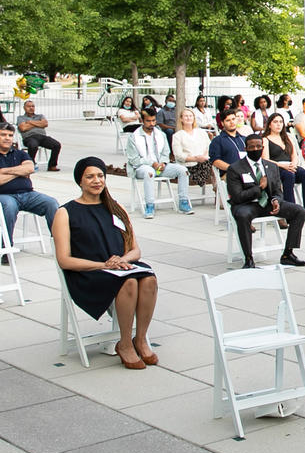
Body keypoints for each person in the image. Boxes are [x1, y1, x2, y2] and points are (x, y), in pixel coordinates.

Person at [53, 157, 158, 369]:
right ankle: (125, 343)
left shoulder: (115, 208)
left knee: (148, 279)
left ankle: (140, 338)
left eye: (100, 176)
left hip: (120, 266)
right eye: (90, 176)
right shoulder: (65, 212)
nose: (96, 180)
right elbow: (64, 260)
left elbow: (135, 250)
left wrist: (122, 260)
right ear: (80, 181)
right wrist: (103, 265)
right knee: (128, 283)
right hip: (88, 272)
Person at [225, 133, 305, 269]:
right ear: (245, 149)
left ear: (263, 148)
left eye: (258, 146)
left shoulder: (271, 166)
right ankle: (248, 258)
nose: (255, 149)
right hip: (245, 205)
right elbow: (237, 196)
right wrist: (259, 188)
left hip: (267, 204)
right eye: (251, 147)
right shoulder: (235, 168)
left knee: (299, 211)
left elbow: (277, 190)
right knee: (242, 215)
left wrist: (276, 200)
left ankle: (288, 254)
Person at [0, 121, 58, 253]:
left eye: (10, 135)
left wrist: (4, 171)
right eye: (3, 135)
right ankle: (6, 248)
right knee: (9, 207)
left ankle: (59, 244)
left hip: (28, 194)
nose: (7, 138)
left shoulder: (19, 153)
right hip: (4, 196)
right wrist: (20, 172)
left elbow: (30, 168)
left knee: (51, 203)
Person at [125, 108, 191, 218]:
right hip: (142, 167)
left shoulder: (161, 134)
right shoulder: (134, 137)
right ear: (142, 120)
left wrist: (163, 163)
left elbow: (166, 152)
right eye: (148, 121)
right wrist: (152, 163)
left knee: (183, 171)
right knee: (149, 173)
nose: (152, 124)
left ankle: (183, 201)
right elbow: (134, 160)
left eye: (153, 121)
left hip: (161, 167)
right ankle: (150, 205)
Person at [264, 113, 305, 219]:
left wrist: (293, 164)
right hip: (276, 168)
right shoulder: (266, 139)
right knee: (289, 176)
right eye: (275, 122)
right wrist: (283, 166)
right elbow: (266, 159)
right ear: (270, 125)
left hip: (290, 165)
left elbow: (294, 155)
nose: (278, 125)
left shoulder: (287, 138)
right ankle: (291, 211)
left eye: (280, 122)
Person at [171, 107, 216, 203]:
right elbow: (178, 155)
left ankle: (218, 193)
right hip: (188, 165)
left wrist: (203, 157)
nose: (188, 118)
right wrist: (195, 159)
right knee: (212, 166)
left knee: (216, 164)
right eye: (186, 116)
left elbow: (209, 147)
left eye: (190, 116)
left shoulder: (201, 132)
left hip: (204, 162)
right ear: (181, 119)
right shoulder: (178, 135)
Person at [16, 99, 61, 171]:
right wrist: (38, 124)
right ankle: (31, 163)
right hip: (29, 137)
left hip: (42, 137)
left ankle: (52, 166)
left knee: (57, 145)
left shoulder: (40, 116)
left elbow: (45, 124)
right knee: (33, 145)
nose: (31, 108)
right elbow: (23, 128)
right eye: (29, 106)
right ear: (24, 108)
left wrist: (30, 122)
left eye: (33, 106)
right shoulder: (21, 118)